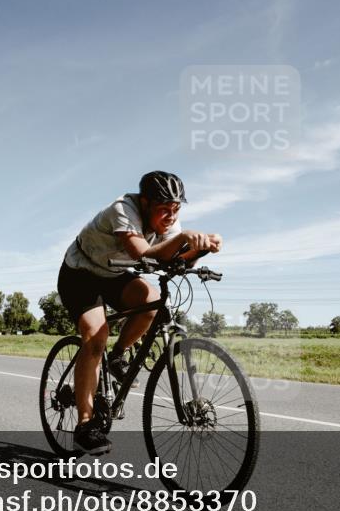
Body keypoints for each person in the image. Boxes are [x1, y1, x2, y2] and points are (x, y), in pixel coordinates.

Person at [58, 171, 222, 455]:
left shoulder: (169, 221)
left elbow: (173, 257)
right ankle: (85, 426)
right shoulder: (123, 209)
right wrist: (184, 237)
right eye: (163, 210)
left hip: (113, 273)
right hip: (79, 273)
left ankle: (118, 355)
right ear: (145, 203)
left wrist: (201, 249)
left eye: (176, 209)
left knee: (152, 303)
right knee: (96, 336)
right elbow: (144, 253)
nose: (170, 216)